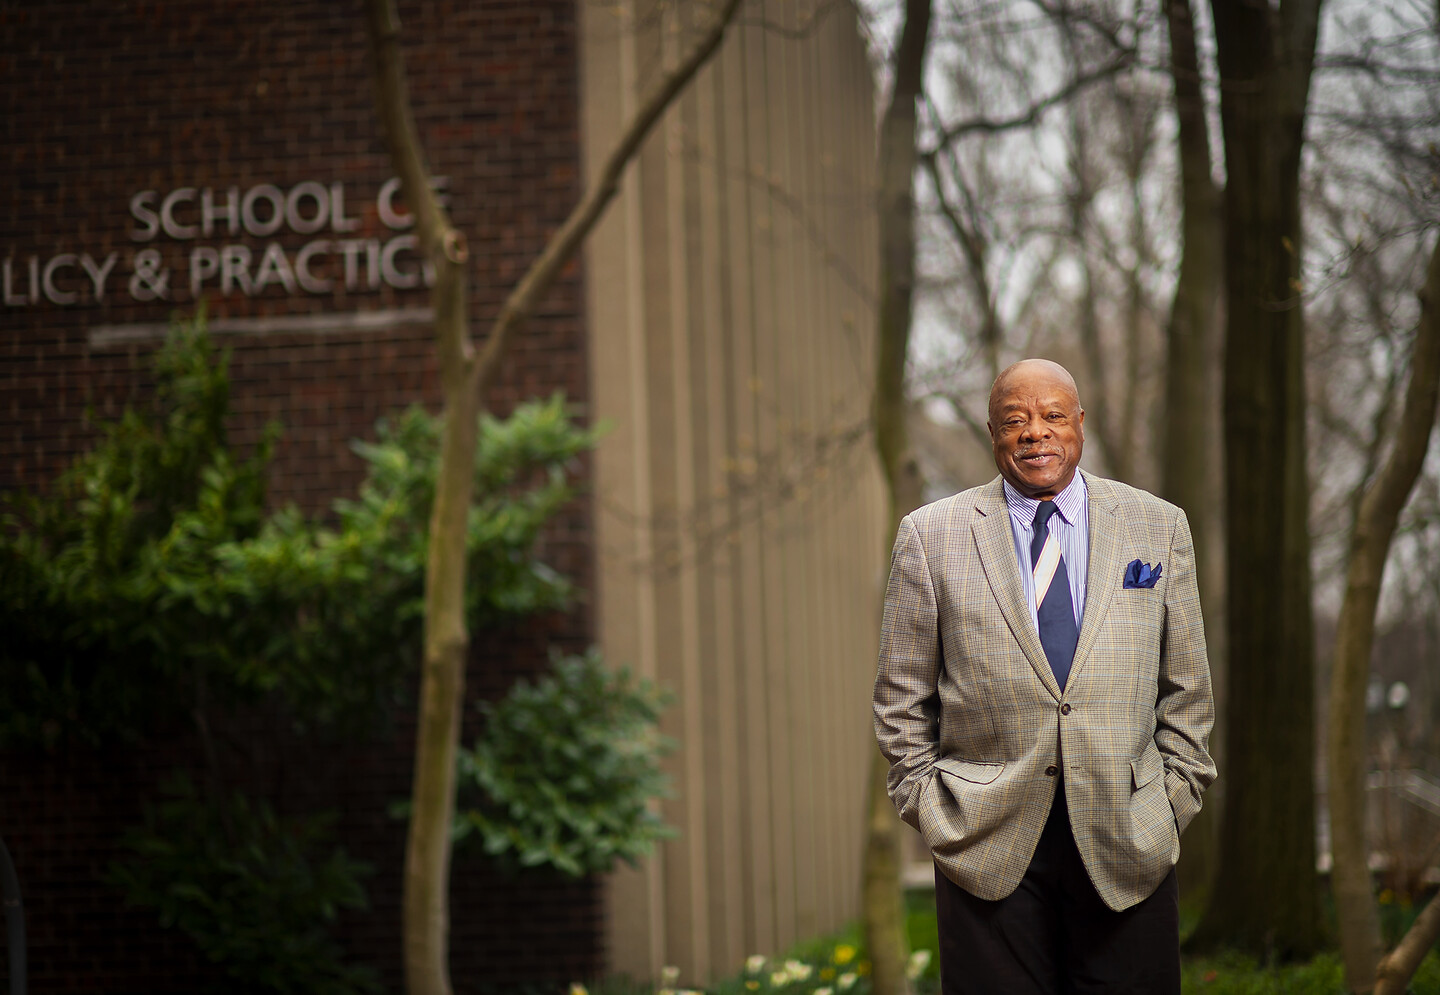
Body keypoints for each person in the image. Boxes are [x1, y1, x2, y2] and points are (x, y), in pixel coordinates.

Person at [872, 358, 1216, 994]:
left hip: (1129, 837)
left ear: (1079, 423)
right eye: (1015, 421)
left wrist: (1170, 805)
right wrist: (936, 809)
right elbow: (901, 702)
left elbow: (1188, 690)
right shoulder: (930, 536)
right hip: (986, 847)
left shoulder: (1158, 525)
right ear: (993, 434)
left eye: (1053, 415)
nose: (1036, 432)